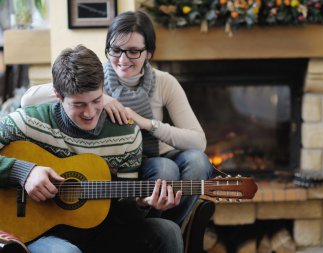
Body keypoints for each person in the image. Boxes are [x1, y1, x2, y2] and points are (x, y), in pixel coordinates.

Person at [21, 10, 212, 225]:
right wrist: (102, 97)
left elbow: (199, 142)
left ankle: (171, 228)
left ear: (148, 53)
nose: (122, 59)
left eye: (133, 51)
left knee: (197, 161)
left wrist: (146, 123)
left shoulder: (164, 82)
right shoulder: (94, 80)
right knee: (165, 170)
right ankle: (150, 230)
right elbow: (28, 100)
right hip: (121, 163)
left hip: (156, 155)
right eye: (116, 50)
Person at [1, 45, 183, 253]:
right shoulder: (27, 122)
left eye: (96, 100)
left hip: (102, 231)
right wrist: (25, 173)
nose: (89, 113)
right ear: (58, 96)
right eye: (78, 104)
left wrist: (141, 204)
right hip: (39, 232)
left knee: (167, 231)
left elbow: (123, 212)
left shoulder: (126, 134)